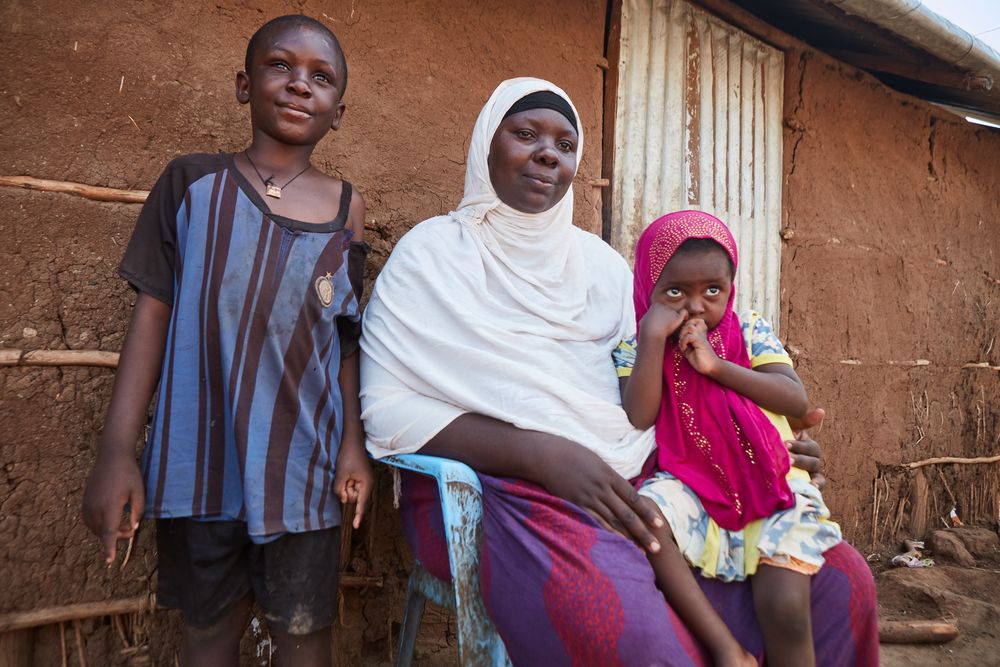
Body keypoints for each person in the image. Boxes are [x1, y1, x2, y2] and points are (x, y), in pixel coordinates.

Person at [361, 77, 877, 665]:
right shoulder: (430, 257)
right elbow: (386, 408)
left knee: (840, 583)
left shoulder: (600, 269)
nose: (548, 153)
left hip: (640, 476)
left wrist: (756, 438)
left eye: (564, 142)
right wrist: (541, 455)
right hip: (498, 487)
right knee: (625, 632)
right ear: (487, 145)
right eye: (525, 134)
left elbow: (663, 389)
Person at [81, 15, 373, 666]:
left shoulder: (347, 209)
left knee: (305, 636)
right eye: (280, 67)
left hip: (305, 472)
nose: (300, 85)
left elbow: (345, 334)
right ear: (244, 85)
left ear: (339, 112)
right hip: (199, 465)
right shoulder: (191, 185)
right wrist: (115, 450)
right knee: (208, 633)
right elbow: (153, 316)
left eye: (320, 78)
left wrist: (353, 446)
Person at [618, 211, 843, 666]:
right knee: (649, 518)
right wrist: (651, 340)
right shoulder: (638, 345)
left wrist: (716, 367)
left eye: (713, 291)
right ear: (648, 288)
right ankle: (726, 649)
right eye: (676, 292)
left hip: (767, 474)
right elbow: (640, 415)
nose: (696, 307)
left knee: (784, 605)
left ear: (730, 288)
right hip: (688, 483)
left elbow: (794, 400)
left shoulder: (747, 330)